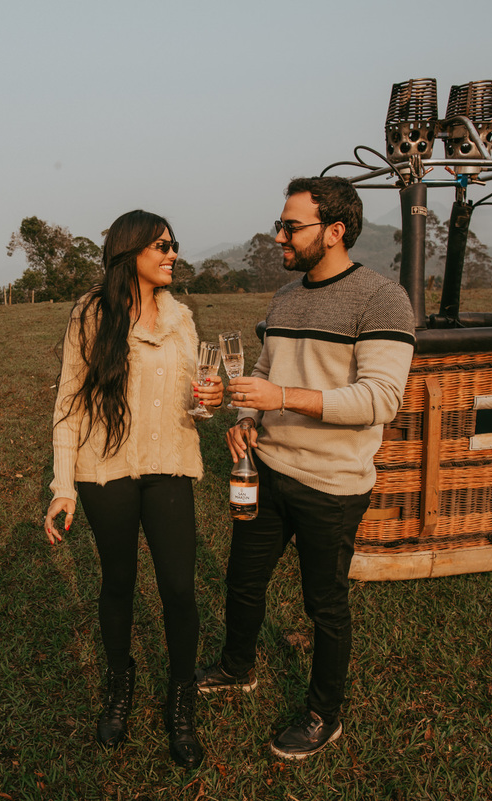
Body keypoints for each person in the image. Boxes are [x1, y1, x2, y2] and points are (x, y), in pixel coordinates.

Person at [199, 177, 415, 760]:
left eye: (291, 226)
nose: (279, 236)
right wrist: (247, 414)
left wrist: (283, 399)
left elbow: (380, 400)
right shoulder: (286, 299)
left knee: (325, 604)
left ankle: (324, 714)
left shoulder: (381, 299)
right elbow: (264, 375)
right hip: (267, 469)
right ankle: (237, 666)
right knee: (243, 581)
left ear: (335, 231)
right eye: (281, 224)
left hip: (333, 485)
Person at [44, 209, 223, 769]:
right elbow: (70, 403)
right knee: (118, 583)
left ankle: (180, 703)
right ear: (130, 253)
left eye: (174, 245)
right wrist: (63, 486)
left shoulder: (182, 317)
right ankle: (119, 689)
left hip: (170, 463)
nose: (173, 254)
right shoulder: (91, 315)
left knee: (178, 588)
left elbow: (198, 393)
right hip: (106, 469)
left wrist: (211, 403)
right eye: (162, 245)